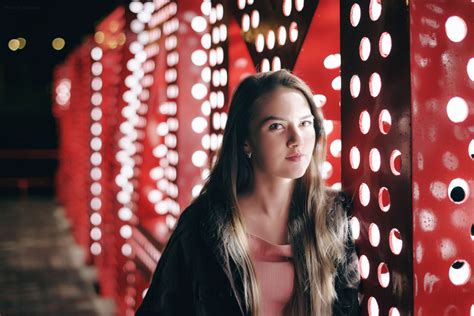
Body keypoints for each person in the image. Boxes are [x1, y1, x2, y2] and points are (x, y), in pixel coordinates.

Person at [135, 70, 360, 316]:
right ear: (246, 141)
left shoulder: (335, 216)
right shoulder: (204, 225)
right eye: (276, 126)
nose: (296, 139)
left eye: (305, 123)